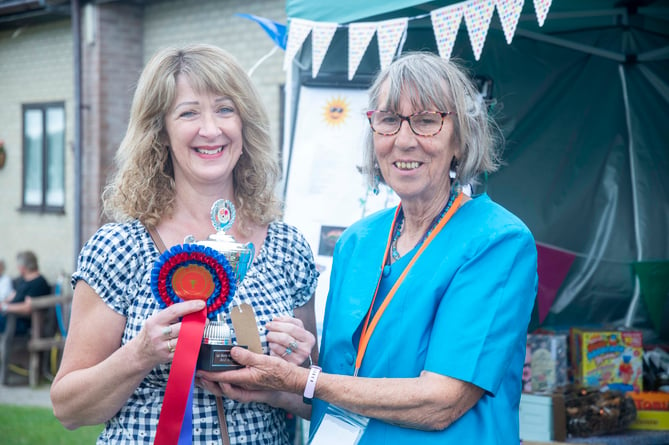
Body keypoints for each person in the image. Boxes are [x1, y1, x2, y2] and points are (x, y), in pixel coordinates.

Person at [200, 52, 538, 444]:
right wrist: (275, 390)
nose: (405, 141)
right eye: (389, 120)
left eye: (427, 121)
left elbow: (441, 401)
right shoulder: (357, 242)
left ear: (460, 140)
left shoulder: (496, 241)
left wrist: (302, 378)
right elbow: (339, 390)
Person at [50, 44, 319, 445]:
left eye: (225, 109)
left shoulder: (287, 247)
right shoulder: (120, 248)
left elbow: (322, 400)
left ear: (245, 128)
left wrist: (289, 381)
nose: (211, 129)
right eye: (189, 112)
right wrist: (140, 353)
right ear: (161, 133)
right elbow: (68, 409)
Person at [0, 251, 51, 335]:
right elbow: (12, 296)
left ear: (23, 268)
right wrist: (3, 304)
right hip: (9, 319)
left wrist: (5, 307)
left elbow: (27, 308)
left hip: (20, 322)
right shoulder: (23, 280)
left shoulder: (38, 283)